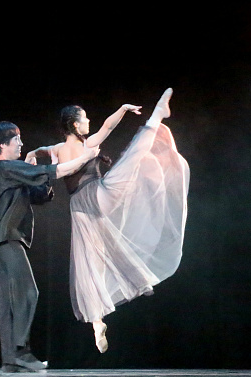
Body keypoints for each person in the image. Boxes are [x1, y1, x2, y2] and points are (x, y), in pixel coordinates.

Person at [26, 88, 189, 353]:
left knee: (90, 263)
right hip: (97, 196)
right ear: (75, 124)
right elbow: (108, 127)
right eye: (85, 118)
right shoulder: (87, 144)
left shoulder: (59, 148)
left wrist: (33, 153)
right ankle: (157, 115)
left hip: (78, 206)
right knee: (132, 160)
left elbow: (44, 149)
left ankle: (98, 320)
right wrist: (123, 109)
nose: (89, 121)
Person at [0, 120, 99, 373]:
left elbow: (40, 195)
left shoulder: (14, 170)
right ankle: (22, 353)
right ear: (3, 144)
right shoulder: (5, 167)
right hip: (6, 238)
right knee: (28, 292)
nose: (21, 144)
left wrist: (39, 172)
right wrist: (85, 158)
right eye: (16, 140)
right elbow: (55, 172)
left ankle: (10, 361)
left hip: (5, 239)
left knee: (9, 302)